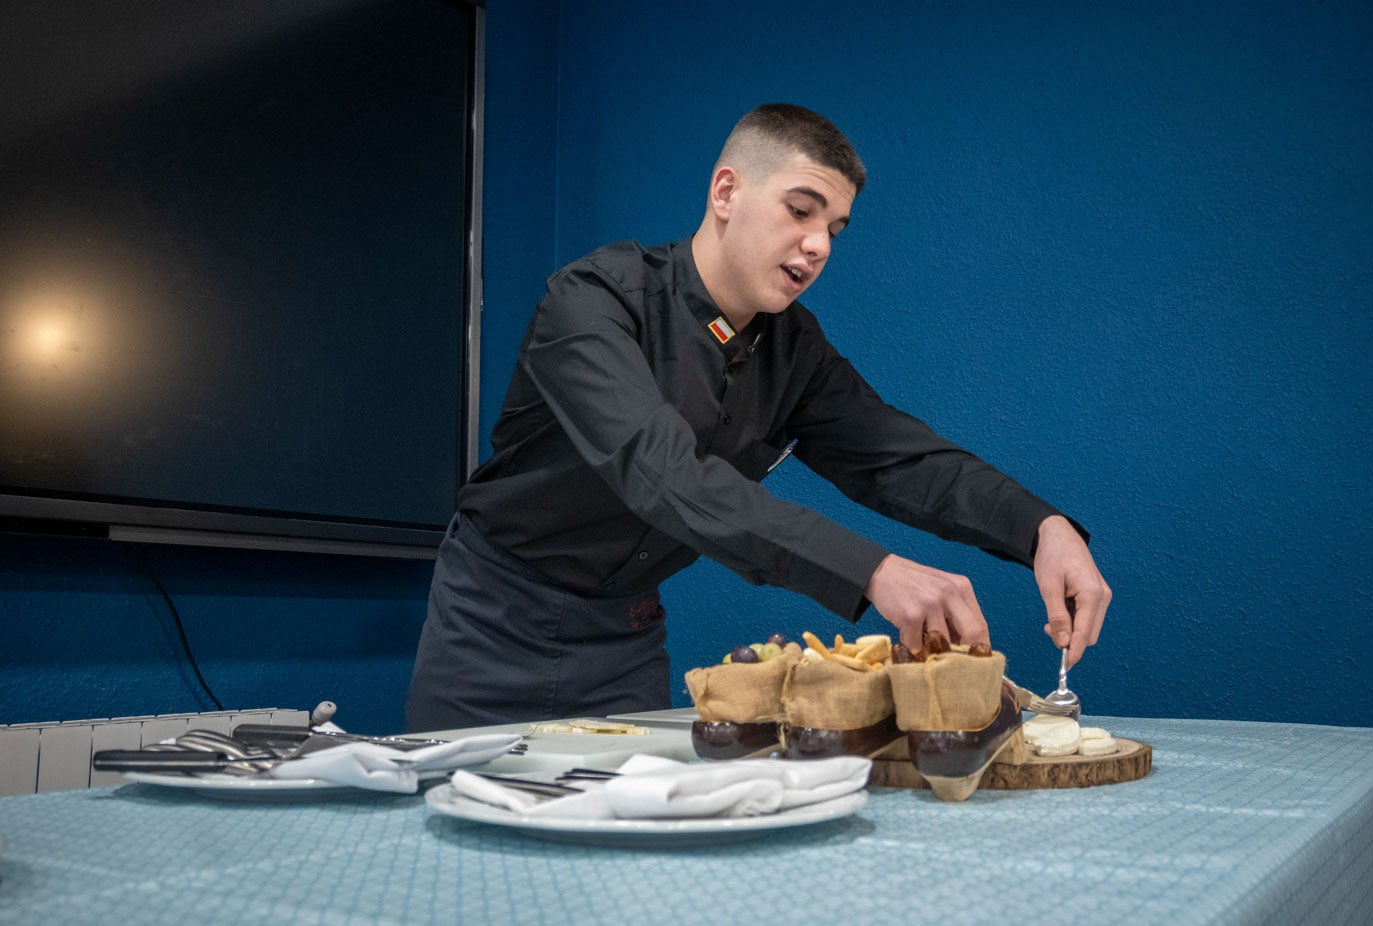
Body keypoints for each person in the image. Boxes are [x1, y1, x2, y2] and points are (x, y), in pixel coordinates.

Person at [404, 103, 1110, 732]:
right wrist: (872, 572)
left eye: (834, 228)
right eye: (800, 211)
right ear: (725, 192)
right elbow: (664, 475)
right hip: (490, 624)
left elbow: (896, 456)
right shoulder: (593, 301)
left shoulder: (793, 348)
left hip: (623, 637)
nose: (819, 245)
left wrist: (1041, 528)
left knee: (622, 859)